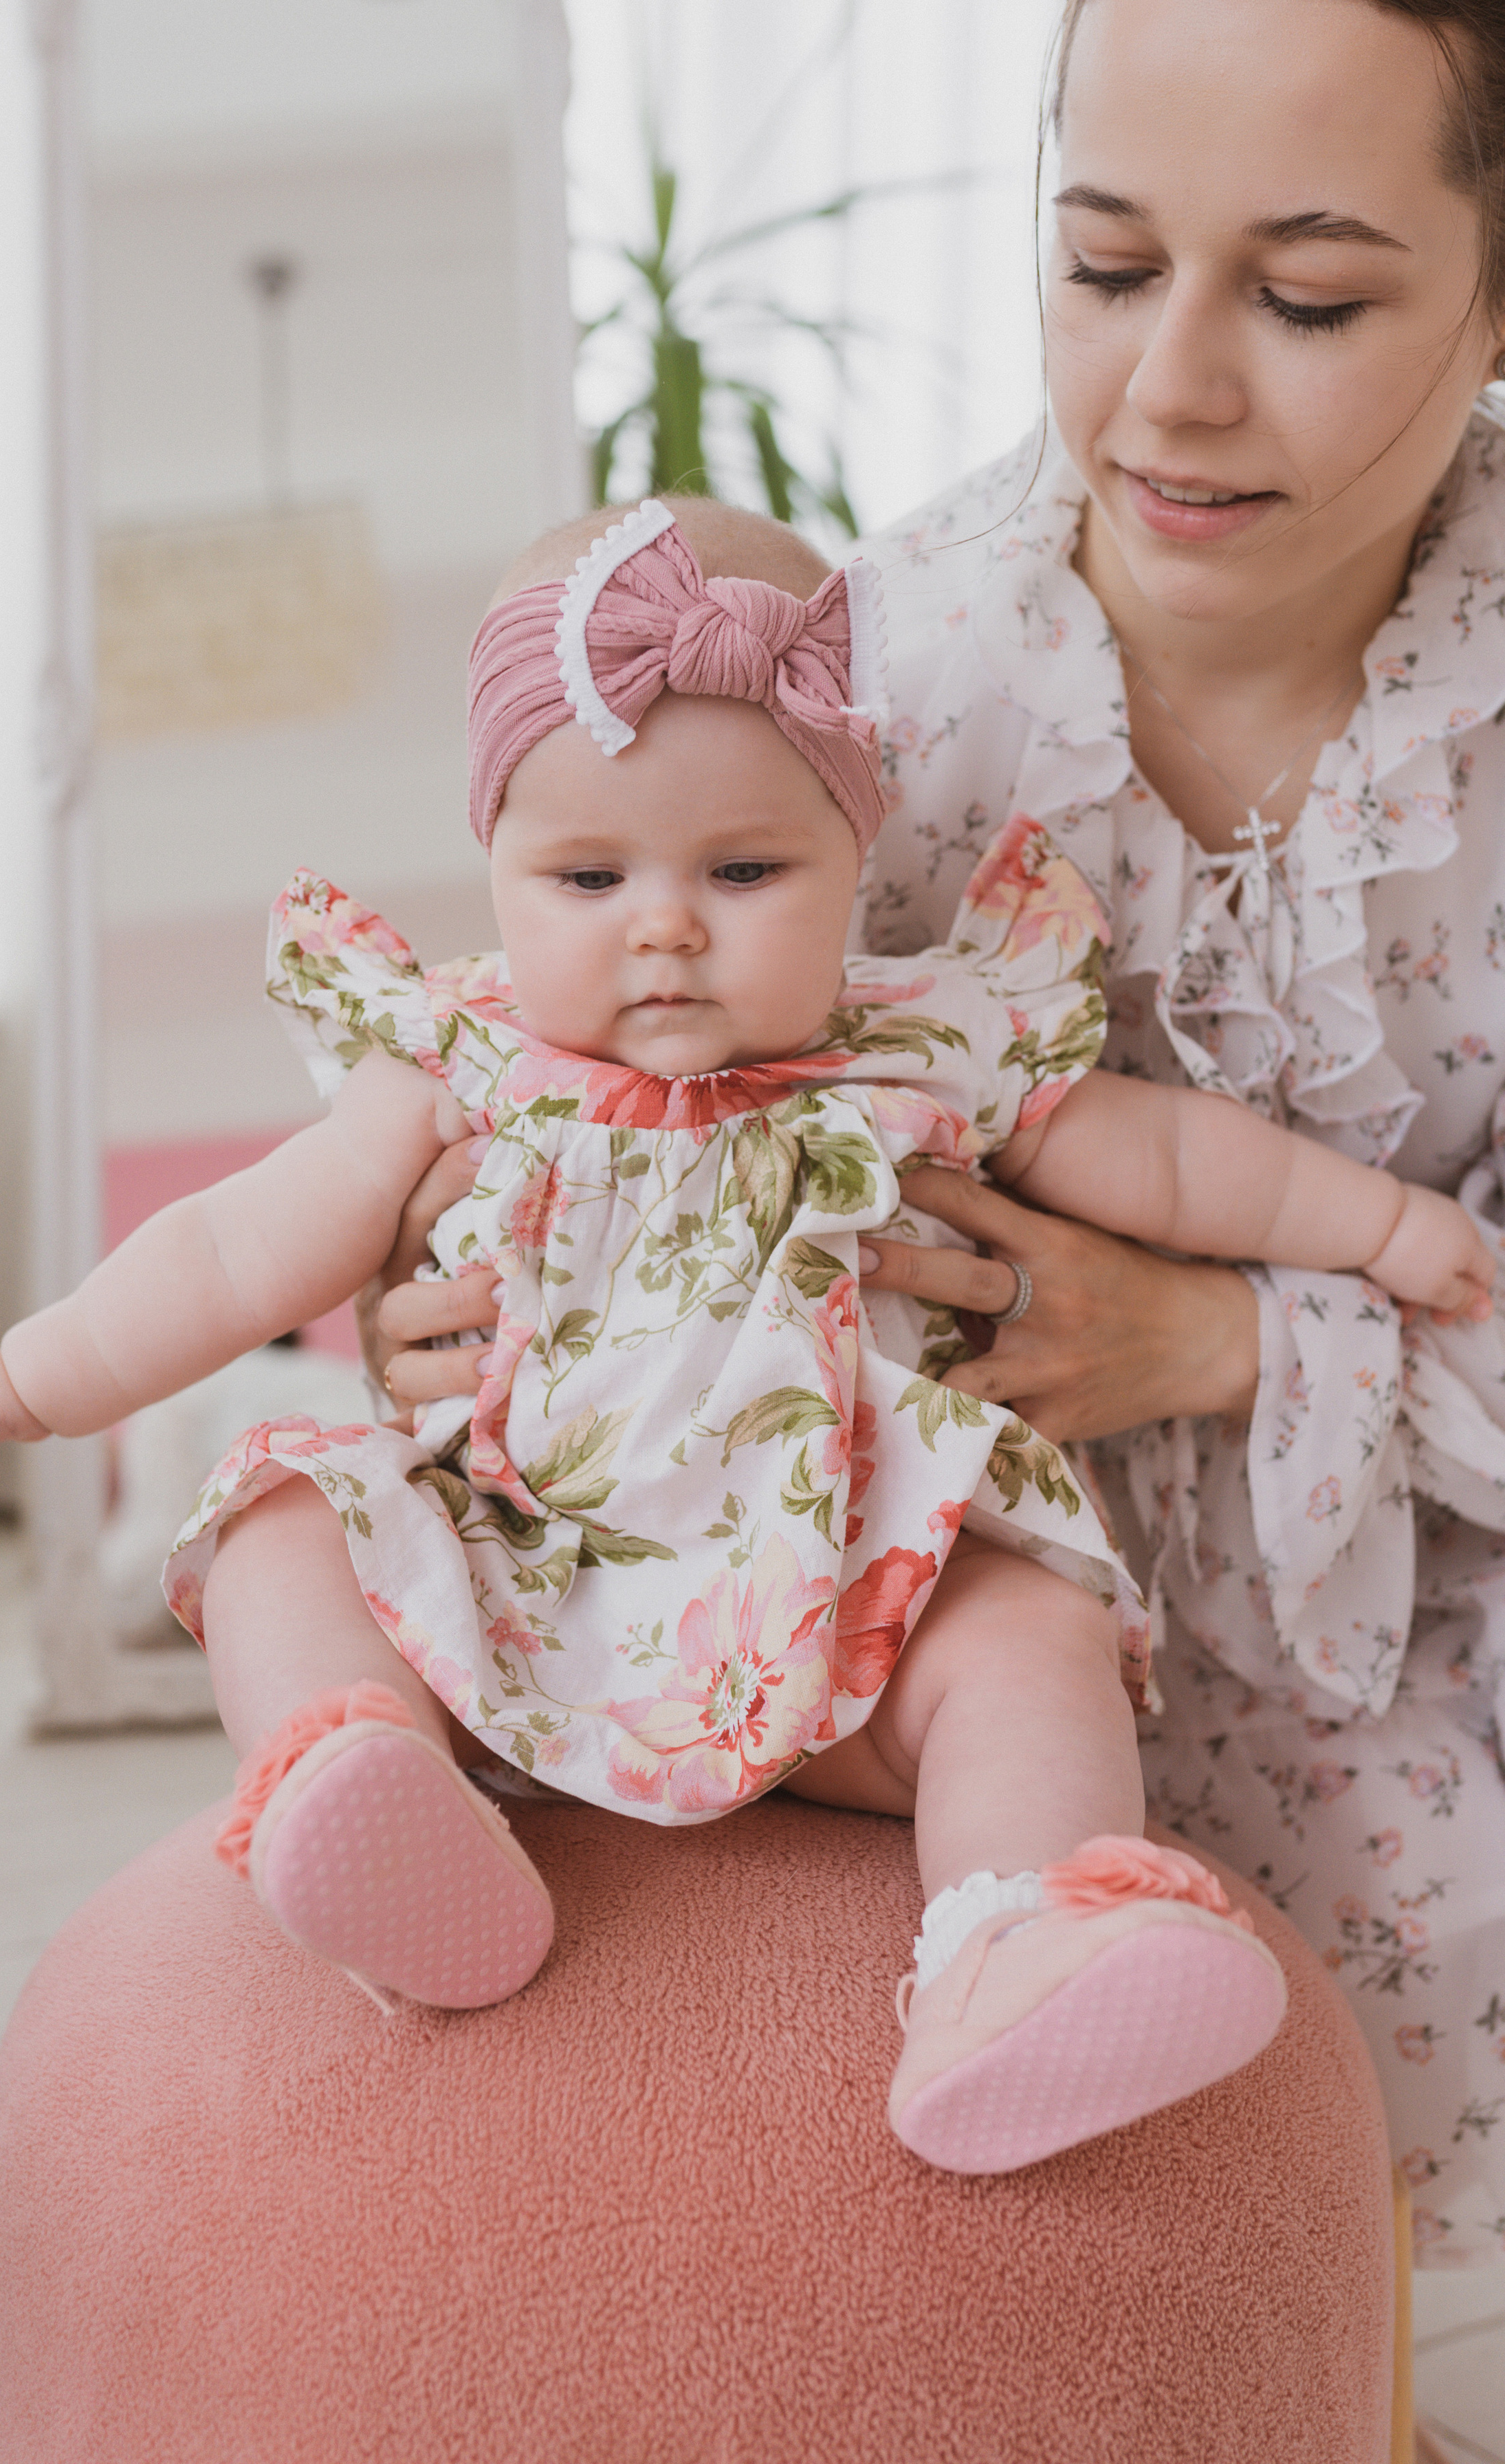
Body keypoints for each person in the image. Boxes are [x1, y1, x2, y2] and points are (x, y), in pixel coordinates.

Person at [0, 497, 1493, 2178]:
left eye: (745, 870)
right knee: (276, 1514)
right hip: (504, 1605)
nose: (664, 925)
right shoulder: (455, 1060)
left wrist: (1377, 1228)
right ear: (492, 859)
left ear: (856, 855)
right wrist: (20, 1376)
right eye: (585, 874)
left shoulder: (922, 1039)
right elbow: (226, 1248)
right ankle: (365, 1777)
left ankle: (1009, 1945)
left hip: (845, 1626)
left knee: (1024, 1636)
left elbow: (1164, 1152)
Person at [382, 0, 1505, 2263]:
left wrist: (1225, 1341)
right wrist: (456, 1312)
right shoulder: (850, 683)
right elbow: (587, 1063)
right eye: (1101, 264)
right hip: (885, 1694)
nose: (1167, 391)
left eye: (1306, 297)